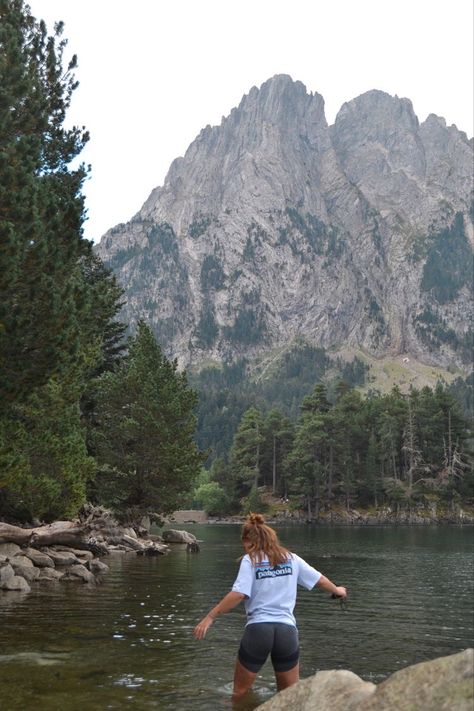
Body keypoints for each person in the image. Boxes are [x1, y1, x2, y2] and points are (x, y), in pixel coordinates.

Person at [193, 512, 347, 701]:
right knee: (289, 697)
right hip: (287, 632)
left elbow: (239, 594)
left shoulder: (251, 560)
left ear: (248, 541)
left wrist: (210, 616)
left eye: (243, 543)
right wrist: (338, 590)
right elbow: (320, 581)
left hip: (259, 630)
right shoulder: (292, 558)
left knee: (240, 694)